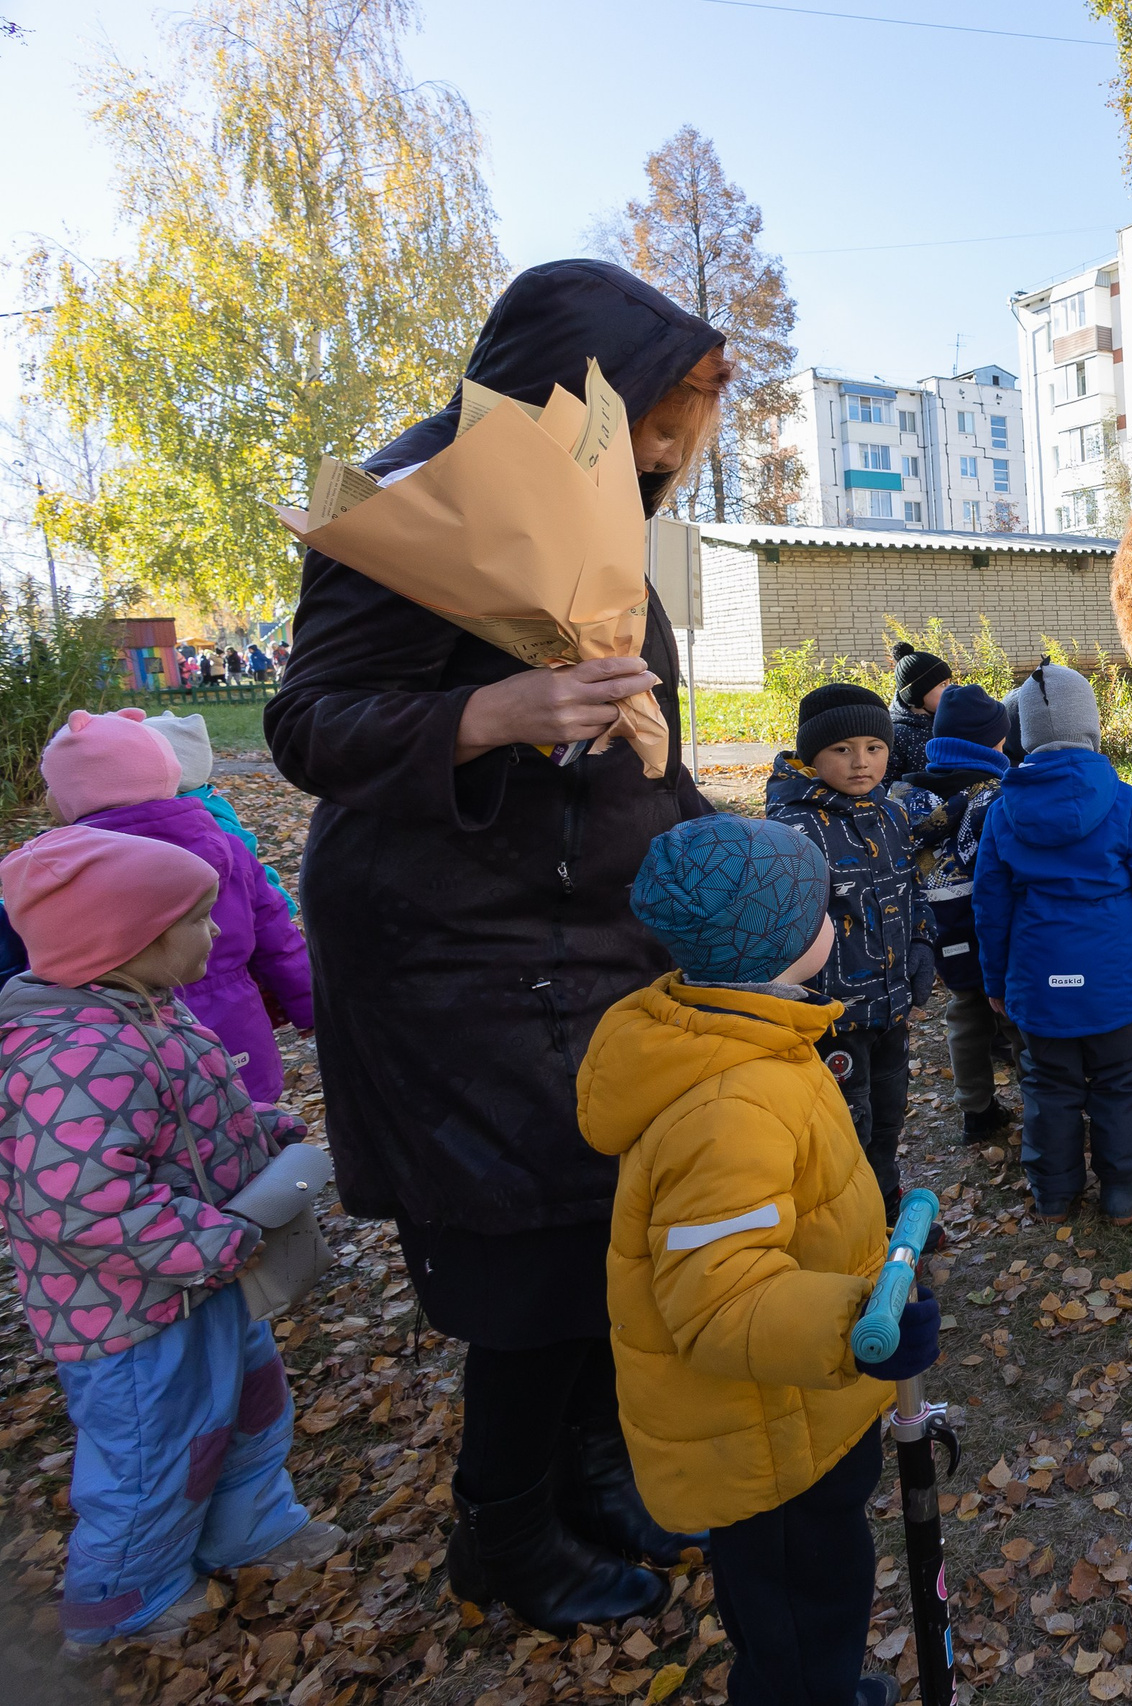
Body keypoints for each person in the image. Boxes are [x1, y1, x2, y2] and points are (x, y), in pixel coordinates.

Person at [265, 259, 727, 1631]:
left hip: (596, 940)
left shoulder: (603, 506)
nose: (674, 449)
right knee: (530, 1259)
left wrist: (714, 846)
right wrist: (491, 713)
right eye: (664, 415)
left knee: (606, 1229)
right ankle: (504, 1532)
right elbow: (310, 725)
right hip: (451, 959)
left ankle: (595, 1472)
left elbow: (645, 746)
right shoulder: (423, 502)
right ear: (574, 384)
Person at [588, 815, 923, 1706]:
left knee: (813, 1593)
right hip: (763, 1436)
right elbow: (722, 1299)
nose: (835, 922)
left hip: (796, 1415)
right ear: (783, 939)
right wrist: (863, 1325)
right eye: (823, 909)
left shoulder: (746, 1032)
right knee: (800, 1615)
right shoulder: (731, 1100)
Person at [0, 826, 343, 1649]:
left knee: (250, 1409)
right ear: (130, 940)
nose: (216, 932)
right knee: (156, 1455)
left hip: (199, 1286)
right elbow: (81, 1202)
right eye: (196, 918)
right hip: (132, 1320)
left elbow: (175, 1128)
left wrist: (254, 1130)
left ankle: (249, 1527)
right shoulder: (76, 1056)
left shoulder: (147, 1013)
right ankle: (125, 1599)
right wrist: (212, 1238)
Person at [975, 662, 1132, 1224]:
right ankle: (1124, 1187)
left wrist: (994, 980)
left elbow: (990, 909)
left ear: (1026, 735)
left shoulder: (1003, 812)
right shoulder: (1123, 803)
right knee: (1120, 1081)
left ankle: (1054, 1193)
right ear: (1092, 727)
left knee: (1048, 1086)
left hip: (1040, 983)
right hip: (1112, 981)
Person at [43, 709, 313, 1103]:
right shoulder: (227, 845)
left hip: (125, 1039)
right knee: (253, 1121)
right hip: (234, 1022)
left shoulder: (65, 868)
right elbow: (276, 934)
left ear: (76, 794)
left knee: (165, 1135)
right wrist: (306, 1004)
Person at [767, 683, 932, 1208]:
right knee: (844, 1124)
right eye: (842, 750)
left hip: (892, 1007)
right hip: (832, 1016)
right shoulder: (792, 829)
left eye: (875, 748)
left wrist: (924, 943)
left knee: (887, 1115)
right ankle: (849, 1226)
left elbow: (914, 889)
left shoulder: (891, 815)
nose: (862, 763)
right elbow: (783, 928)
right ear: (812, 754)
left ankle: (885, 1206)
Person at [902, 684, 1019, 1141]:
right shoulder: (995, 798)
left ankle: (976, 1109)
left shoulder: (908, 796)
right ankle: (1045, 1101)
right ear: (993, 744)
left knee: (965, 1013)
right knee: (1014, 1017)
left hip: (940, 927)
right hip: (989, 924)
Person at [146, 711, 297, 917]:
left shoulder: (213, 828)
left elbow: (253, 875)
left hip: (225, 924)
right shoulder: (198, 804)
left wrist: (279, 907)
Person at [888, 641, 951, 782]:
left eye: (948, 683)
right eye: (942, 685)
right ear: (917, 693)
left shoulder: (950, 721)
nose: (950, 690)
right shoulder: (896, 734)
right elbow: (888, 783)